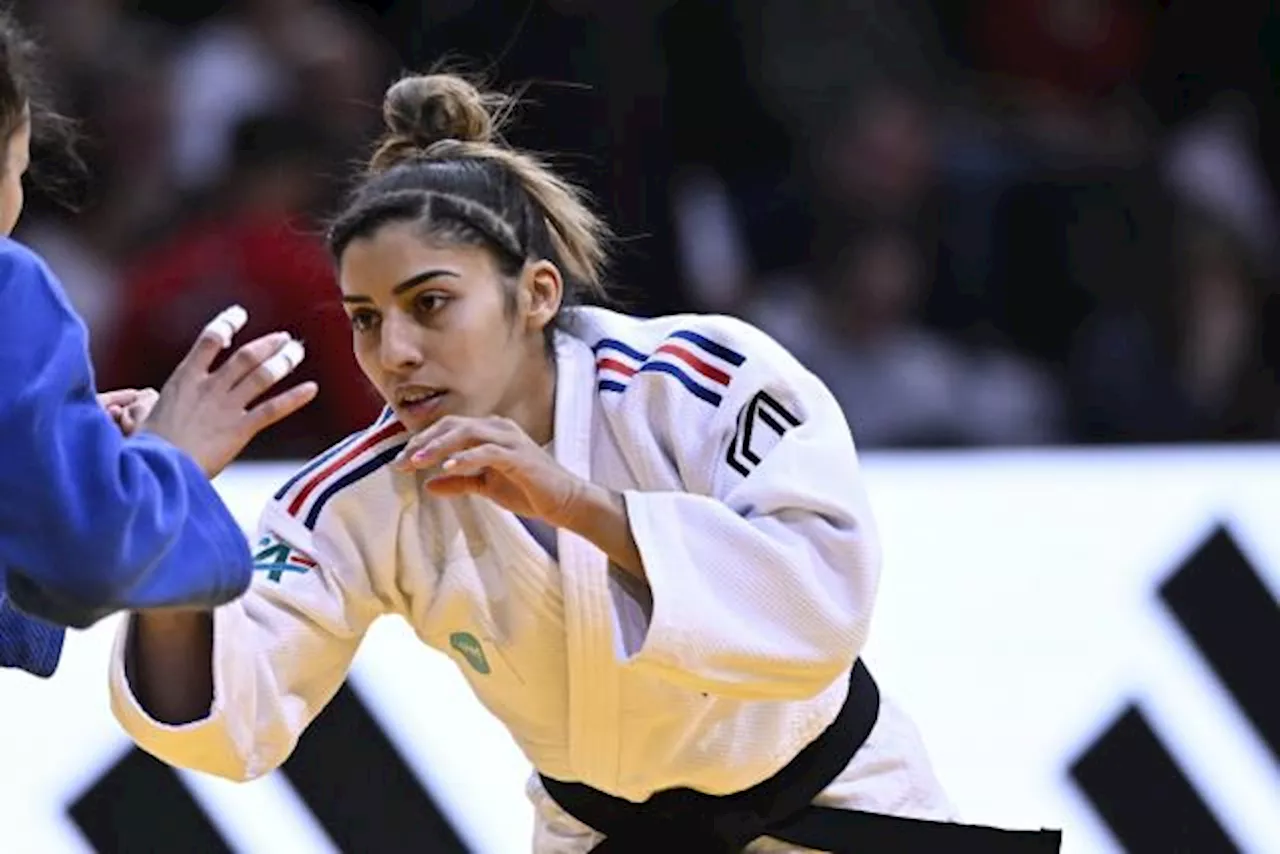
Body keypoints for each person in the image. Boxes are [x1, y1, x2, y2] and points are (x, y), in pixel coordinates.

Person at [110, 73, 1062, 852]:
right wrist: (173, 507)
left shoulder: (694, 382)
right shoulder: (360, 496)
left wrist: (575, 500)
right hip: (602, 839)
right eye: (365, 319)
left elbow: (821, 603)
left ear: (535, 294)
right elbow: (226, 723)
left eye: (429, 304)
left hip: (839, 811)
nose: (392, 351)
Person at [0, 8, 317, 678]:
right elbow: (86, 559)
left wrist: (61, 460)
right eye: (18, 174)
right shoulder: (8, 282)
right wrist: (168, 456)